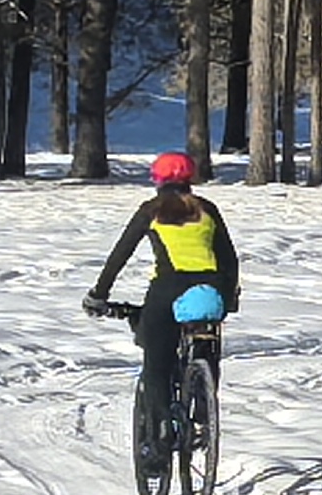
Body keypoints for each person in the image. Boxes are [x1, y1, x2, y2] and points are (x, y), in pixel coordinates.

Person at [84, 151, 240, 394]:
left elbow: (121, 254)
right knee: (208, 346)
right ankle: (204, 407)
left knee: (156, 363)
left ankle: (161, 424)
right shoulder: (207, 209)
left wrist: (99, 293)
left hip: (168, 286)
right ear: (191, 177)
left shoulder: (151, 210)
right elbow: (229, 259)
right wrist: (228, 297)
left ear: (156, 179)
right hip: (211, 287)